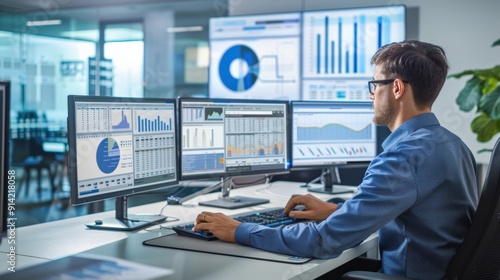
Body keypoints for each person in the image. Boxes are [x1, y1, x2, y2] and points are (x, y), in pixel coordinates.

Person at [193, 40, 478, 279]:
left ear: (397, 88)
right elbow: (419, 213)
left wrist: (240, 229)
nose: (371, 94)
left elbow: (323, 242)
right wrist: (336, 210)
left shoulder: (401, 157)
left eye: (374, 84)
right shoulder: (454, 145)